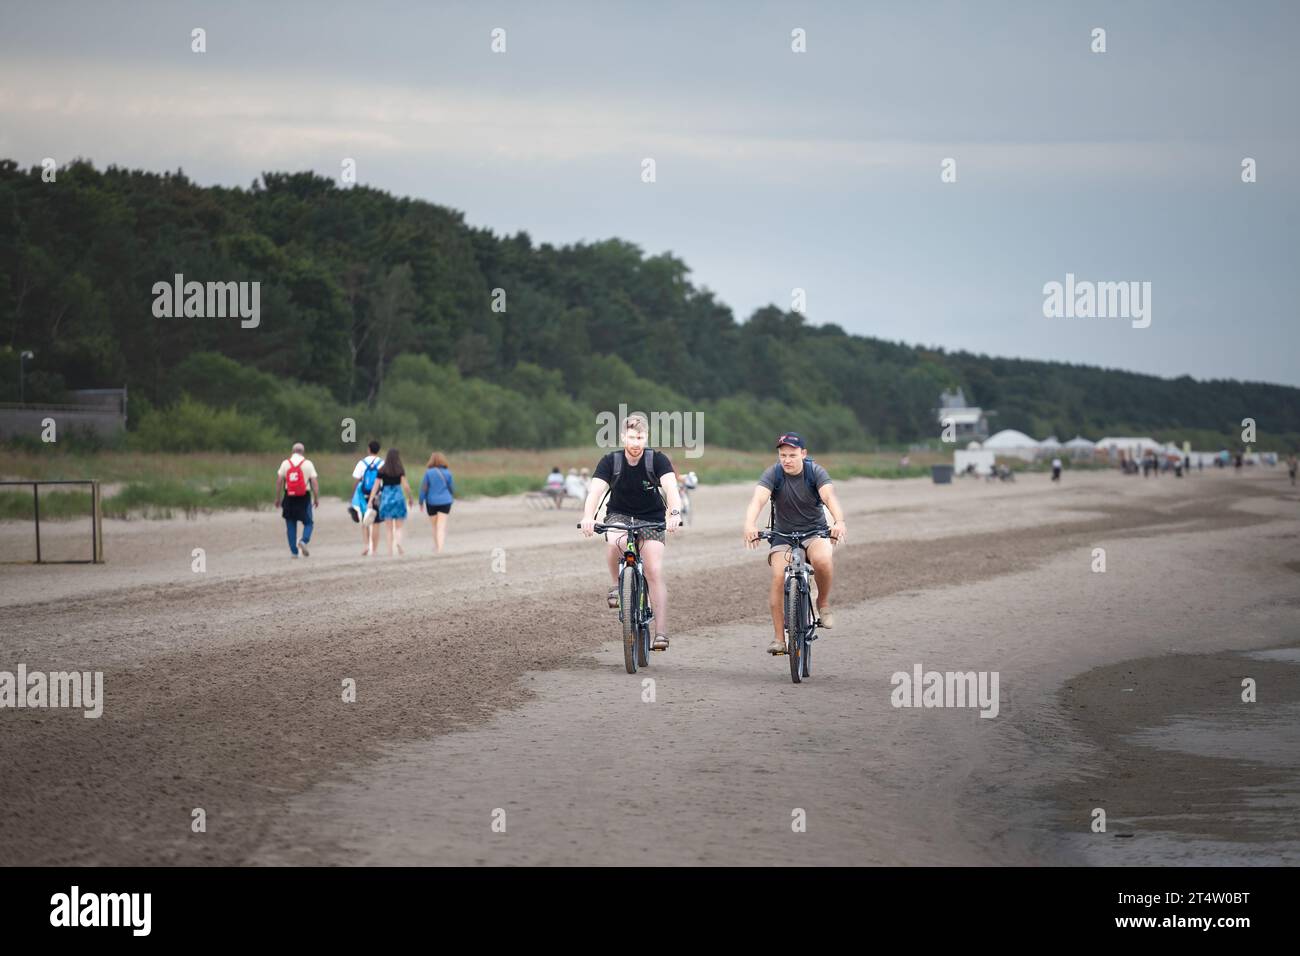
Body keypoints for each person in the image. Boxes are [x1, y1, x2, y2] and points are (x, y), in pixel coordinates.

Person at [579, 414, 682, 651]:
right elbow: (595, 492)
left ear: (646, 437)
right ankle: (617, 585)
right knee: (614, 541)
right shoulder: (610, 462)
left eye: (641, 437)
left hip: (652, 517)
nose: (636, 443)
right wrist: (588, 516)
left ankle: (661, 631)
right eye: (632, 437)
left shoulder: (657, 460)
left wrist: (674, 514)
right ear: (623, 437)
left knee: (653, 569)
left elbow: (671, 488)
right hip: (620, 515)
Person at [743, 432, 847, 656]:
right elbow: (758, 499)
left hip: (815, 531)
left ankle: (823, 603)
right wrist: (750, 524)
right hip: (783, 535)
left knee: (822, 560)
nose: (787, 460)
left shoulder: (814, 472)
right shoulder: (774, 473)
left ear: (803, 454)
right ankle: (779, 638)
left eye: (792, 455)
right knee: (779, 577)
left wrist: (839, 521)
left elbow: (829, 497)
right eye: (783, 455)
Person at [275, 442, 319, 558]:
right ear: (302, 452)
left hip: (289, 496)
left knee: (290, 524)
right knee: (308, 522)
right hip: (304, 497)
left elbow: (279, 480)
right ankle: (303, 540)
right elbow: (314, 482)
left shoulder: (285, 463)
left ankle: (294, 552)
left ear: (292, 451)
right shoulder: (308, 463)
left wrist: (278, 497)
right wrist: (316, 498)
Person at [367, 448, 414, 556]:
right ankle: (398, 544)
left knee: (388, 529)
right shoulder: (400, 469)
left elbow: (375, 486)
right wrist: (410, 498)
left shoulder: (382, 470)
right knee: (398, 527)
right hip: (398, 498)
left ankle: (389, 551)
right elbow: (406, 486)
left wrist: (370, 500)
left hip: (386, 499)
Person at [351, 440, 384, 556]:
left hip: (363, 495)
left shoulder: (361, 463)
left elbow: (357, 479)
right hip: (377, 496)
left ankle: (366, 545)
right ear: (378, 450)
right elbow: (383, 481)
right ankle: (374, 549)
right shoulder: (382, 463)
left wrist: (353, 495)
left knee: (364, 522)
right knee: (376, 523)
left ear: (369, 449)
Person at [418, 451, 455, 554]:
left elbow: (423, 489)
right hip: (445, 501)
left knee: (434, 526)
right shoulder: (448, 473)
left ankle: (436, 546)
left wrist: (421, 501)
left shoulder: (428, 473)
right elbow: (452, 488)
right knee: (441, 526)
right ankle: (440, 548)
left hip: (431, 502)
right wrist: (451, 497)